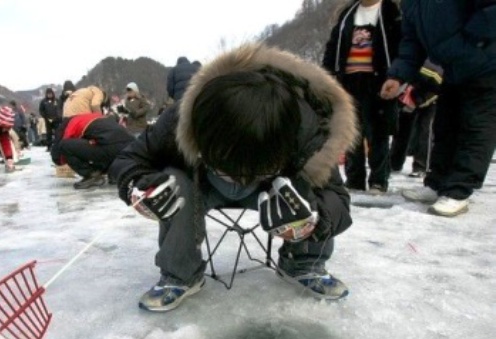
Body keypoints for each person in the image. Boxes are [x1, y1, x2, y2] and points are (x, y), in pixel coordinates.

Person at [109, 43, 357, 312]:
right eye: (228, 167)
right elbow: (128, 160)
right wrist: (138, 186)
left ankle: (304, 262)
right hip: (202, 184)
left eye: (253, 169)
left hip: (271, 190)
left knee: (309, 186)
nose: (239, 181)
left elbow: (338, 198)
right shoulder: (180, 119)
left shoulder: (309, 131)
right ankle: (180, 273)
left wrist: (315, 222)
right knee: (173, 180)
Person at [380, 0, 496, 217]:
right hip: (454, 67)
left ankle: (458, 190)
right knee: (445, 126)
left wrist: (471, 39)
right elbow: (412, 43)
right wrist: (397, 76)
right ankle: (437, 183)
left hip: (487, 63)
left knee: (476, 127)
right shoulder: (412, 4)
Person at [321, 0, 401, 195]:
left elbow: (400, 45)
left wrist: (397, 76)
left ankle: (378, 180)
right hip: (348, 82)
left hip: (379, 81)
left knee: (378, 133)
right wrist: (327, 77)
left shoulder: (391, 12)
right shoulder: (348, 14)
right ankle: (354, 179)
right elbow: (333, 48)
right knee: (351, 133)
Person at [51, 112, 136, 189]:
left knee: (65, 145)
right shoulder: (97, 116)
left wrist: (59, 160)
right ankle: (114, 173)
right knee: (99, 144)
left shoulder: (71, 123)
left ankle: (91, 175)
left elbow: (62, 145)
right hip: (130, 147)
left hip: (111, 148)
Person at [389, 60, 442, 177]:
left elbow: (436, 85)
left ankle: (421, 166)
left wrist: (418, 101)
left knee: (425, 130)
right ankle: (394, 162)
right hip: (410, 91)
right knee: (402, 128)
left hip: (431, 94)